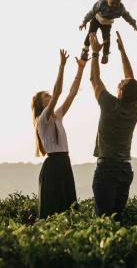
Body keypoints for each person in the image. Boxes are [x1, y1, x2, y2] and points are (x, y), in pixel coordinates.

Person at [89, 31, 137, 224]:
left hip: (108, 168)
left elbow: (94, 79)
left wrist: (95, 53)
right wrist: (122, 51)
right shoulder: (135, 105)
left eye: (120, 83)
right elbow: (131, 79)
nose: (120, 80)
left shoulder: (109, 104)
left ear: (119, 93)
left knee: (104, 222)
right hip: (125, 169)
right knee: (118, 220)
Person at [31, 50, 89, 219]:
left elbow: (72, 93)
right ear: (41, 103)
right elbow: (58, 92)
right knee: (52, 211)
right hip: (53, 165)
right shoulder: (42, 119)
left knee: (68, 209)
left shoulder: (57, 117)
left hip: (64, 162)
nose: (50, 96)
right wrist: (62, 66)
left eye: (49, 95)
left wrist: (80, 69)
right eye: (46, 96)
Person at [79, 0, 137, 65]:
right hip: (97, 19)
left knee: (106, 38)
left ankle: (105, 54)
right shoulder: (101, 4)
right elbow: (92, 12)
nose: (114, 6)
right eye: (112, 3)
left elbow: (127, 16)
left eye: (117, 4)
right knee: (91, 34)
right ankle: (85, 50)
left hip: (107, 23)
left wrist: (133, 25)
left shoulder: (120, 9)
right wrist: (84, 22)